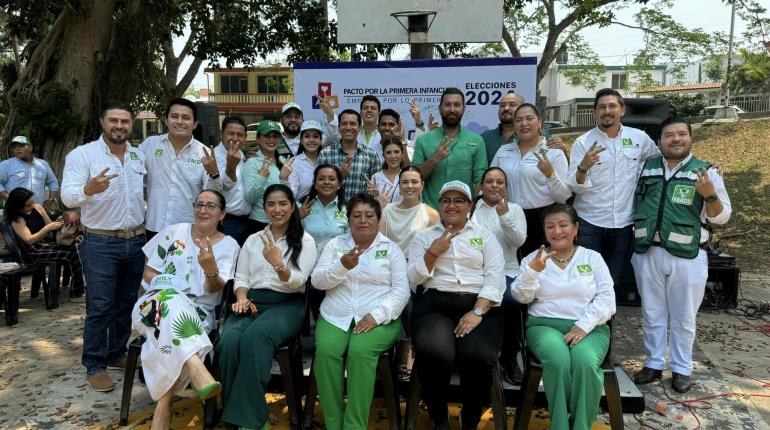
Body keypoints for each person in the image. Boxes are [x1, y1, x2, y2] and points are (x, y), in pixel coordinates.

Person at [631, 118, 732, 393]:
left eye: (681, 134)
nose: (675, 139)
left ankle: (681, 369)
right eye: (668, 135)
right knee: (652, 313)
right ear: (660, 140)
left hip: (687, 257)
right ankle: (652, 363)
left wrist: (710, 196)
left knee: (683, 317)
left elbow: (722, 217)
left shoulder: (706, 172)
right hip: (647, 252)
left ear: (690, 138)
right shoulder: (645, 168)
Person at [132, 190, 239, 429]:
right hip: (153, 305)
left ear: (223, 214)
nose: (203, 210)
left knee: (173, 323)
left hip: (198, 312)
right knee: (171, 299)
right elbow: (149, 272)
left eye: (211, 206)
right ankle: (195, 366)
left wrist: (210, 268)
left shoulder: (230, 245)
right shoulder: (174, 232)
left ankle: (164, 404)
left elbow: (215, 288)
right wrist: (170, 291)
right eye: (199, 204)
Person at [61, 100, 147, 392]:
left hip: (135, 240)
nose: (120, 126)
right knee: (100, 307)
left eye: (125, 121)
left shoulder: (138, 156)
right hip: (100, 242)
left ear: (131, 124)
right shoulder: (83, 155)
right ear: (102, 122)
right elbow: (68, 197)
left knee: (126, 303)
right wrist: (88, 189)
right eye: (114, 121)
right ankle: (95, 365)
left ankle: (116, 353)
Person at [216, 184, 317, 430]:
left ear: (292, 207)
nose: (277, 209)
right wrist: (240, 297)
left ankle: (250, 420)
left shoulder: (305, 240)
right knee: (228, 342)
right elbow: (242, 278)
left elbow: (298, 281)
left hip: (287, 304)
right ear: (264, 209)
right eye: (271, 204)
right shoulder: (253, 240)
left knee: (256, 337)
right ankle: (234, 413)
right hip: (252, 302)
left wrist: (279, 264)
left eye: (283, 203)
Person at [407, 180, 506, 430]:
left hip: (478, 304)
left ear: (470, 205)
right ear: (439, 205)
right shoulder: (424, 237)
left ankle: (470, 418)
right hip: (435, 304)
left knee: (479, 355)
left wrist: (477, 311)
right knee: (436, 352)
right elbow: (414, 278)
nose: (452, 205)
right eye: (446, 200)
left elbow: (495, 278)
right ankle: (439, 418)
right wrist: (433, 252)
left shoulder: (484, 236)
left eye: (459, 200)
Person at [511, 203, 616, 430]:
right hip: (544, 325)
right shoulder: (533, 259)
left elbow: (607, 297)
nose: (557, 231)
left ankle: (580, 426)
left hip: (590, 328)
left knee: (585, 362)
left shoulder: (593, 258)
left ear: (576, 228)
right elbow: (520, 296)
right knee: (558, 361)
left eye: (563, 225)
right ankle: (558, 425)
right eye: (550, 226)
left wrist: (583, 325)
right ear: (545, 231)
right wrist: (533, 271)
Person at [311, 193, 410, 430]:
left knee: (360, 352)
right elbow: (317, 281)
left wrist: (378, 315)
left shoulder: (391, 249)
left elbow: (401, 291)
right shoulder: (335, 246)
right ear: (349, 219)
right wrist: (341, 265)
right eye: (357, 215)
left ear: (378, 218)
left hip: (379, 318)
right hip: (336, 314)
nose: (363, 220)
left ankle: (354, 425)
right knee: (326, 352)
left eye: (369, 215)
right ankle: (334, 423)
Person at [567, 88, 659, 287]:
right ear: (594, 112)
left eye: (612, 106)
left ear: (622, 110)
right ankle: (585, 318)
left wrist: (707, 167)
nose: (607, 111)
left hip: (624, 224)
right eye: (601, 107)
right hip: (589, 223)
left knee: (613, 280)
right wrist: (583, 167)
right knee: (585, 280)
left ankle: (607, 319)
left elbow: (662, 162)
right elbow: (574, 187)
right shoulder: (583, 142)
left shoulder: (639, 138)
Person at [469, 167, 527, 384]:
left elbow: (518, 242)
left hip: (507, 271)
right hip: (476, 272)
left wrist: (504, 217)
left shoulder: (514, 209)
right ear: (481, 186)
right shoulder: (472, 209)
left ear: (505, 187)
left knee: (512, 301)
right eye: (489, 181)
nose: (494, 185)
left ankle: (510, 357)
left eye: (499, 182)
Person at [492, 103, 571, 258]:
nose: (524, 124)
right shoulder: (504, 151)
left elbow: (564, 197)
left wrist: (550, 174)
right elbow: (489, 181)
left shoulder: (553, 152)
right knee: (512, 266)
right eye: (519, 120)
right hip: (510, 216)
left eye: (529, 118)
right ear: (514, 126)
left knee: (539, 270)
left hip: (542, 220)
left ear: (539, 122)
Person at [140, 98, 222, 239]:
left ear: (195, 124)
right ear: (166, 120)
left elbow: (212, 193)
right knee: (151, 262)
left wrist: (214, 173)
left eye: (186, 118)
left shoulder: (204, 152)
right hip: (154, 226)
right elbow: (135, 177)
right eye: (174, 116)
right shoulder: (150, 145)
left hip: (188, 228)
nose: (179, 122)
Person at [412, 87, 488, 211]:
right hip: (431, 213)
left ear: (464, 109)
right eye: (447, 105)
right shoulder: (424, 140)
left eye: (457, 105)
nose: (452, 109)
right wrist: (434, 159)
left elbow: (480, 179)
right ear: (440, 108)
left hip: (463, 215)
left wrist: (472, 208)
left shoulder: (476, 141)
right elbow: (415, 178)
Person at [5, 187, 85, 297]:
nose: (31, 206)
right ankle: (78, 290)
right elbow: (29, 240)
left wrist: (63, 220)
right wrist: (47, 228)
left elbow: (50, 225)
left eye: (32, 202)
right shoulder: (17, 219)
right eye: (27, 205)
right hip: (33, 250)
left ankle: (79, 287)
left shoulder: (38, 208)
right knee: (73, 253)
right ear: (18, 207)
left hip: (46, 244)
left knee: (78, 244)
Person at [318, 109, 380, 201]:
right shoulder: (325, 154)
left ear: (359, 128)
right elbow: (319, 187)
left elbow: (377, 187)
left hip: (361, 212)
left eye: (352, 124)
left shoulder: (371, 155)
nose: (348, 127)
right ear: (338, 127)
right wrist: (340, 177)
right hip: (333, 212)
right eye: (344, 124)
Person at [379, 166, 440, 253]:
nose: (409, 186)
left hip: (417, 263)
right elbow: (380, 243)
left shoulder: (431, 214)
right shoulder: (386, 210)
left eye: (414, 182)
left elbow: (434, 248)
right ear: (399, 186)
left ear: (422, 185)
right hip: (391, 263)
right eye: (405, 182)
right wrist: (377, 209)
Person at [243, 120, 288, 232]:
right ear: (258, 139)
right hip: (260, 223)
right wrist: (262, 177)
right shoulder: (252, 163)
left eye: (275, 136)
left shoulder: (283, 162)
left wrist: (284, 179)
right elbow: (250, 198)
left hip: (282, 222)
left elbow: (287, 195)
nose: (271, 140)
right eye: (267, 136)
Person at [214, 116, 253, 245]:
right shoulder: (212, 157)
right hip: (226, 222)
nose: (235, 138)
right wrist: (230, 165)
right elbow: (218, 188)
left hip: (247, 221)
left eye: (240, 135)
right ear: (221, 134)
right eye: (231, 134)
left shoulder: (240, 154)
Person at [0, 135, 59, 205]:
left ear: (30, 148)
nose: (17, 149)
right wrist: (9, 198)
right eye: (14, 147)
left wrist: (50, 201)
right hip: (14, 209)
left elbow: (53, 182)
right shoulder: (6, 164)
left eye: (21, 146)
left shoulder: (43, 164)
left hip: (37, 209)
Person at [284, 120, 324, 201]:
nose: (311, 140)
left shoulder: (325, 160)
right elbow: (292, 193)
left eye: (315, 136)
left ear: (321, 141)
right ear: (301, 141)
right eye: (307, 136)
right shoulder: (294, 162)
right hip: (303, 210)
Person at [481, 92, 524, 165]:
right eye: (502, 105)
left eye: (512, 105)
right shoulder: (485, 137)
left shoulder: (530, 138)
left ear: (523, 109)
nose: (506, 108)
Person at [369, 138, 405, 206]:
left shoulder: (408, 176)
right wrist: (376, 196)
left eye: (396, 152)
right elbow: (370, 206)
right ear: (384, 156)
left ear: (402, 154)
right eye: (388, 153)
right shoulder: (376, 177)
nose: (393, 156)